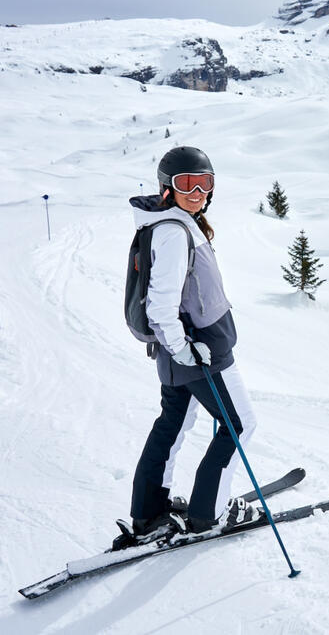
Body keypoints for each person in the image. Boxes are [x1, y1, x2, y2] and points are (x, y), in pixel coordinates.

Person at [126, 146, 261, 542]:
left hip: (180, 352)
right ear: (167, 187)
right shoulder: (172, 232)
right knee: (238, 424)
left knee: (173, 424)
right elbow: (160, 306)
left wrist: (178, 349)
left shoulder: (174, 223)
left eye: (206, 183)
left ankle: (148, 514)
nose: (198, 191)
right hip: (199, 352)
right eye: (188, 183)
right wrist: (186, 350)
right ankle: (209, 513)